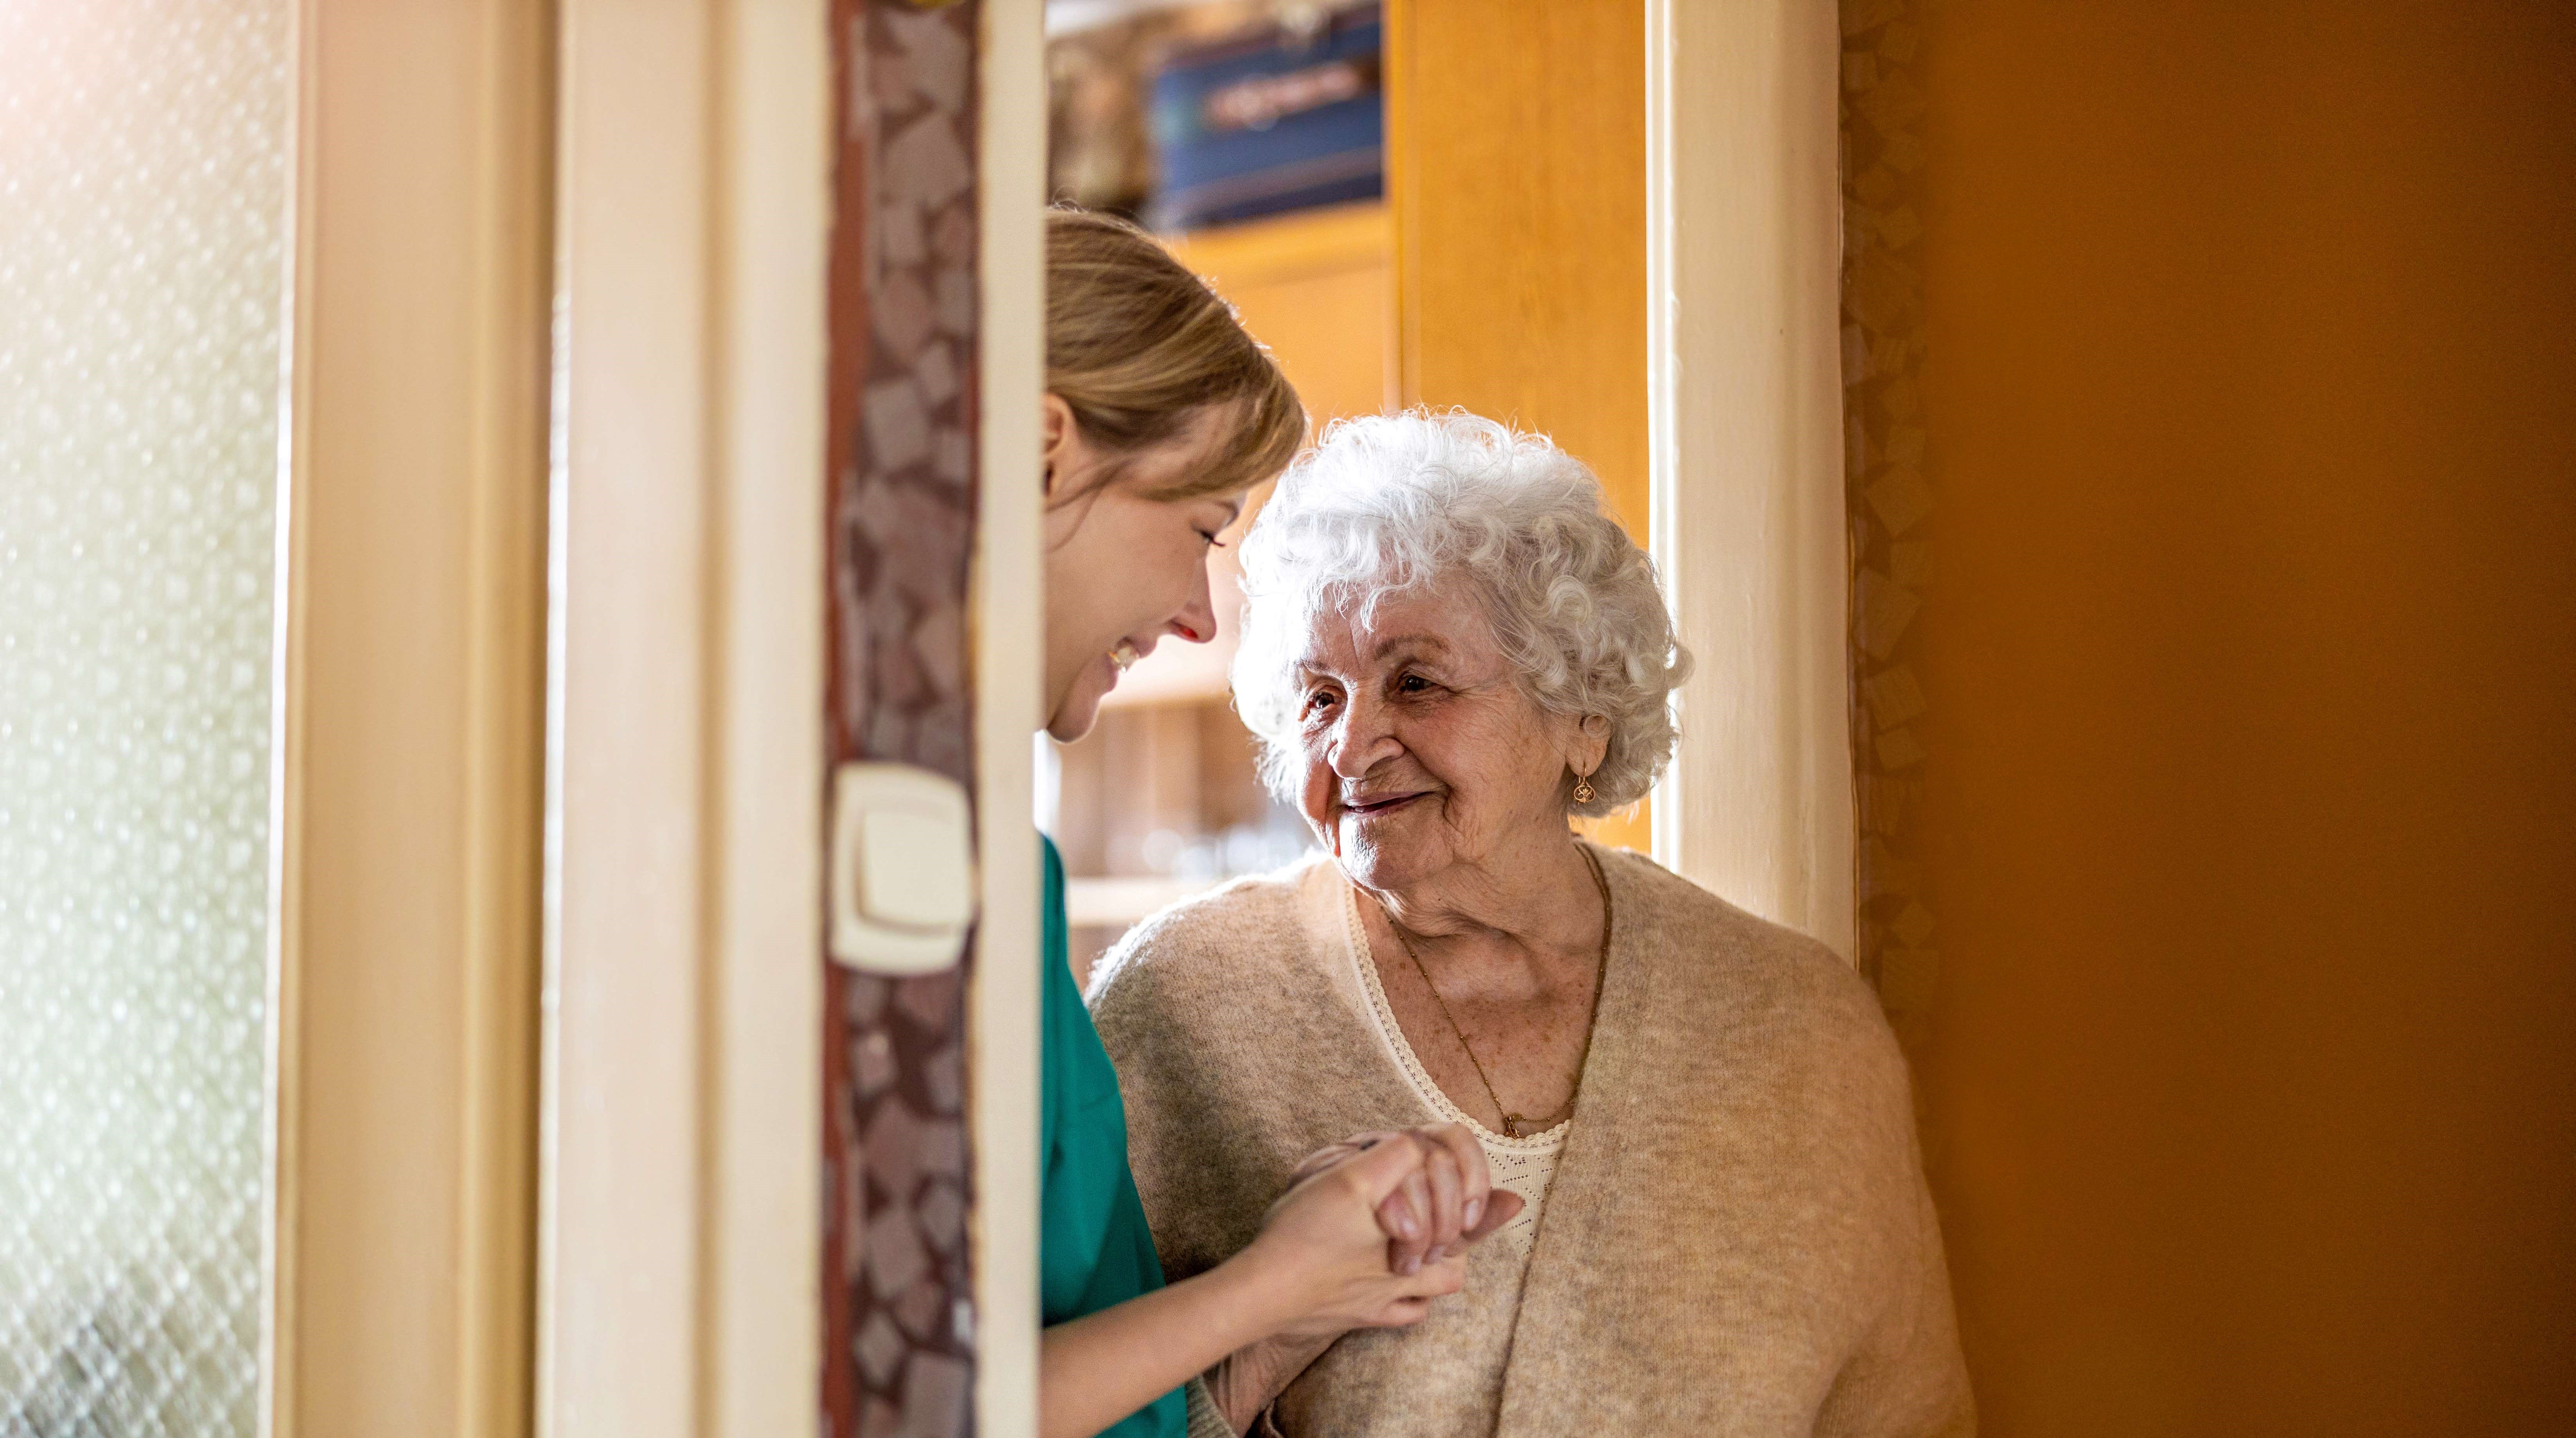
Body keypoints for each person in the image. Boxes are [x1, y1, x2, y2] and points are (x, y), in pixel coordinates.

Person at [1090, 411, 1977, 1435]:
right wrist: (1271, 1327)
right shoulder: (1188, 996)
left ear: (1582, 717)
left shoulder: (1796, 1024)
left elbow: (1910, 1413)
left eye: (1415, 683)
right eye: (1318, 696)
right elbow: (1053, 1408)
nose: (1352, 745)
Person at [1033, 212, 1521, 1438]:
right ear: (1042, 451)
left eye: (1420, 682)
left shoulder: (1008, 874)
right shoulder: (916, 875)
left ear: (1583, 723)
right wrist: (1272, 1285)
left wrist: (1288, 1306)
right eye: (1204, 525)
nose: (1203, 618)